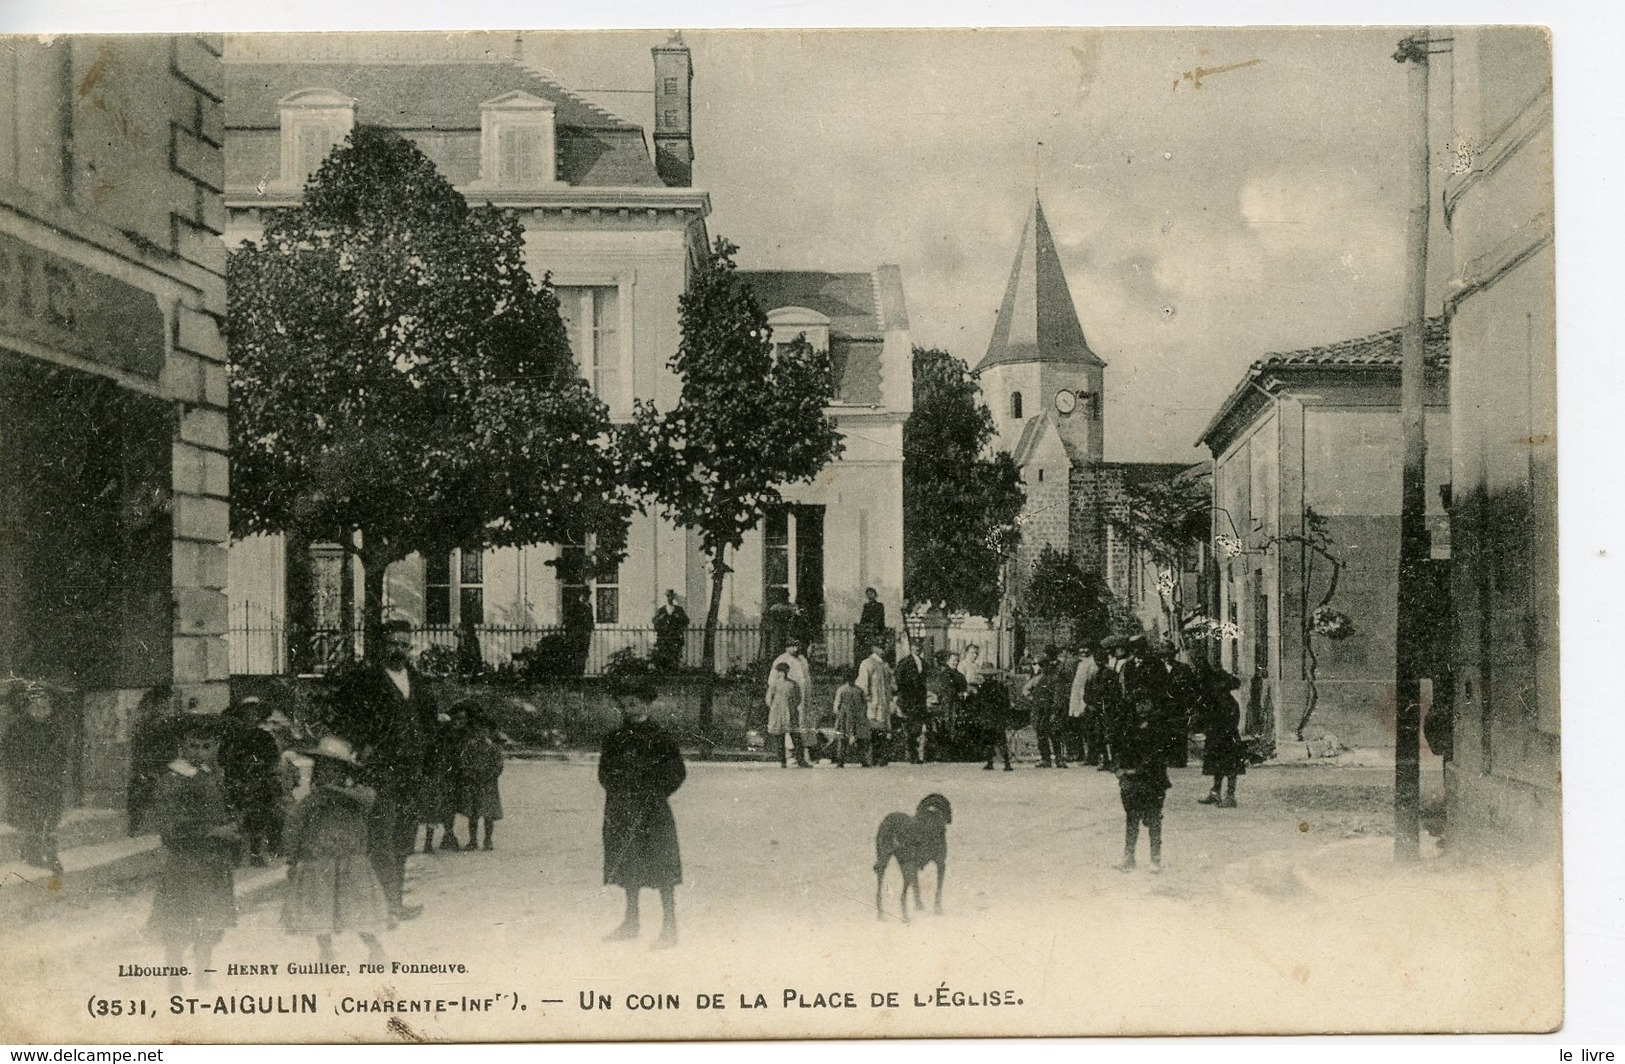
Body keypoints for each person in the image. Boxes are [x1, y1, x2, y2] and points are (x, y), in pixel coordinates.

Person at [331, 618, 440, 922]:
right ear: (381, 645)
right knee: (381, 837)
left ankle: (395, 902)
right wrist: (362, 745)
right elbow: (345, 718)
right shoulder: (364, 681)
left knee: (404, 837)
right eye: (393, 643)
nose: (399, 650)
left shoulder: (418, 682)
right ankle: (380, 904)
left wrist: (429, 764)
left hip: (412, 772)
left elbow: (430, 726)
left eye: (404, 645)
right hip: (380, 772)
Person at [146, 715, 239, 987]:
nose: (200, 753)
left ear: (217, 746)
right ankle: (175, 980)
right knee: (178, 924)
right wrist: (213, 831)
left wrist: (232, 826)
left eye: (207, 746)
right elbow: (170, 828)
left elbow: (222, 809)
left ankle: (202, 976)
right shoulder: (174, 778)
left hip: (212, 863)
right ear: (182, 746)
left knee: (209, 924)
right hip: (185, 863)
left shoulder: (213, 775)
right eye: (194, 746)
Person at [280, 734, 390, 965]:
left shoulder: (358, 795)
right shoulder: (312, 800)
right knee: (320, 909)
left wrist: (335, 793)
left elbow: (367, 801)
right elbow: (295, 825)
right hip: (318, 861)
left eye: (334, 769)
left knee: (359, 909)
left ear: (344, 772)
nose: (327, 773)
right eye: (323, 768)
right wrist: (291, 858)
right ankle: (326, 952)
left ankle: (375, 948)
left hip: (351, 861)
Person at [600, 675, 686, 948]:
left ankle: (669, 928)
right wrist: (620, 791)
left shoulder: (661, 737)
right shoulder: (614, 738)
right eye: (624, 705)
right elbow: (604, 773)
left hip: (652, 811)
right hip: (622, 810)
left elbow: (677, 772)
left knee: (662, 868)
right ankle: (631, 921)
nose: (629, 709)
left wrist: (655, 793)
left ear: (647, 705)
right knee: (628, 865)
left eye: (635, 704)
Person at [2, 680, 72, 874]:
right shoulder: (18, 728)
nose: (42, 710)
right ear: (29, 707)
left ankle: (47, 852)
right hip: (27, 782)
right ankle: (37, 853)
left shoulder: (54, 728)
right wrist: (21, 777)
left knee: (50, 818)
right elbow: (10, 756)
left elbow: (61, 754)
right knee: (32, 818)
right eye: (37, 706)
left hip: (50, 782)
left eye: (45, 706)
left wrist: (56, 774)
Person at [219, 695, 284, 866]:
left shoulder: (265, 737)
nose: (251, 716)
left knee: (262, 814)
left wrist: (259, 766)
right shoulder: (231, 737)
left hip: (259, 781)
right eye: (247, 713)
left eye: (255, 713)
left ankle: (257, 852)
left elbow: (272, 759)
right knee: (235, 817)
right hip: (236, 780)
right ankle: (235, 855)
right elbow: (223, 759)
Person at [1113, 690, 1173, 874]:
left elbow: (1157, 754)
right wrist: (1119, 768)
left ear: (1152, 704)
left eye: (1145, 702)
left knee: (1154, 818)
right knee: (1132, 818)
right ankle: (1129, 857)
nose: (1141, 707)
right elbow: (1121, 748)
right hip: (1132, 780)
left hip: (1153, 779)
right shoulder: (1129, 724)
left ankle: (1155, 859)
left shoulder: (1159, 725)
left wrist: (1134, 770)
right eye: (1138, 703)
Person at [420, 702, 467, 854]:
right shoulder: (447, 741)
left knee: (437, 810)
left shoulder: (442, 741)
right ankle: (440, 839)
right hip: (442, 778)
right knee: (441, 809)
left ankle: (437, 839)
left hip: (441, 777)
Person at [1197, 669, 1247, 808]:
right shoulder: (1217, 701)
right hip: (1217, 737)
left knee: (1230, 768)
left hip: (1227, 738)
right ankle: (1215, 793)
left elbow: (1230, 722)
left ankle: (1231, 797)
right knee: (1217, 767)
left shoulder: (1229, 702)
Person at [459, 708, 505, 850]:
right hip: (474, 783)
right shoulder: (470, 747)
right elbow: (464, 763)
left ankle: (488, 840)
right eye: (479, 730)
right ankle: (473, 840)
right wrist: (472, 775)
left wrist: (489, 776)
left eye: (484, 730)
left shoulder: (494, 748)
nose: (481, 732)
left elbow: (498, 765)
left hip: (488, 784)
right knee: (473, 814)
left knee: (488, 814)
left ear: (489, 732)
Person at [855, 642, 896, 768]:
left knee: (881, 731)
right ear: (874, 648)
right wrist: (866, 700)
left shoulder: (885, 665)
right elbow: (862, 685)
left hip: (883, 704)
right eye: (880, 647)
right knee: (871, 730)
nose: (883, 649)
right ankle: (868, 758)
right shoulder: (867, 663)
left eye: (884, 647)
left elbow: (891, 685)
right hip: (872, 704)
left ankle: (880, 758)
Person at [1030, 647, 1070, 768]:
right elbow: (1029, 691)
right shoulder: (1039, 679)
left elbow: (1058, 696)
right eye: (1041, 665)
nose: (1043, 668)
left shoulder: (1055, 679)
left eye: (1045, 665)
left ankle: (1059, 759)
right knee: (1041, 734)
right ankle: (1045, 758)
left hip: (1051, 710)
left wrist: (1055, 710)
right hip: (1040, 710)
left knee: (1055, 734)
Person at [764, 661, 808, 768]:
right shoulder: (774, 685)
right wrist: (775, 708)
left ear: (787, 672)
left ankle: (801, 760)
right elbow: (768, 699)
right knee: (779, 738)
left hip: (790, 713)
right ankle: (782, 761)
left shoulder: (793, 684)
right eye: (780, 672)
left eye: (784, 671)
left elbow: (798, 698)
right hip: (778, 714)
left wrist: (791, 707)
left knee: (796, 737)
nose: (782, 674)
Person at [894, 640, 929, 763]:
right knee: (910, 728)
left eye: (919, 646)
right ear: (911, 648)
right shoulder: (904, 663)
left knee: (918, 728)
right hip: (909, 700)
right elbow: (899, 680)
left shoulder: (924, 663)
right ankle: (911, 755)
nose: (917, 648)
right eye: (915, 646)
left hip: (920, 700)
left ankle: (916, 755)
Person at [829, 668, 869, 768]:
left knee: (843, 740)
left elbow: (836, 706)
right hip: (856, 717)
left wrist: (838, 714)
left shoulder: (842, 690)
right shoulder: (858, 690)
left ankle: (840, 761)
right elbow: (864, 705)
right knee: (858, 740)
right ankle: (862, 760)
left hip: (845, 717)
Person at [976, 671, 1015, 771]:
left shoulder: (982, 687)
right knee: (1001, 740)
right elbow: (1005, 702)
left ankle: (990, 762)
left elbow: (979, 703)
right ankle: (1006, 763)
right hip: (998, 716)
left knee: (989, 740)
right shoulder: (1000, 686)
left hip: (988, 716)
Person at [651, 590, 689, 671]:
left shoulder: (679, 609)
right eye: (668, 596)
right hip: (664, 637)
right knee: (664, 655)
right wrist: (661, 618)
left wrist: (678, 617)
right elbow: (654, 621)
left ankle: (674, 672)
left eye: (671, 596)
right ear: (666, 597)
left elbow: (686, 621)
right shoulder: (661, 610)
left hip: (675, 637)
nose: (670, 598)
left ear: (674, 597)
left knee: (675, 655)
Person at [855, 587, 887, 656]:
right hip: (868, 629)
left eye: (871, 593)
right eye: (868, 594)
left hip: (877, 629)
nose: (870, 595)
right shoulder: (866, 606)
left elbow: (880, 618)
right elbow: (863, 618)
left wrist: (875, 625)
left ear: (875, 594)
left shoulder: (879, 605)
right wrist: (863, 626)